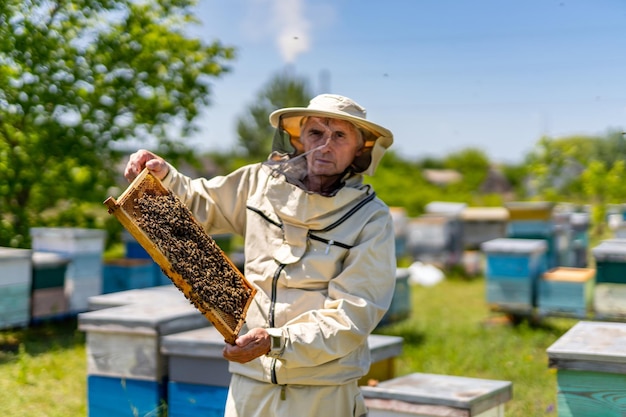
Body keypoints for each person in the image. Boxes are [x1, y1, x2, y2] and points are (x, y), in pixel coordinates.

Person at [124, 93, 397, 417]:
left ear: (360, 149)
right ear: (297, 138)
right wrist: (166, 177)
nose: (325, 145)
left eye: (339, 136)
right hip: (250, 380)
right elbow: (201, 205)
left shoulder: (370, 219)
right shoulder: (258, 182)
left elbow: (354, 314)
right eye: (316, 133)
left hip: (323, 390)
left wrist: (277, 340)